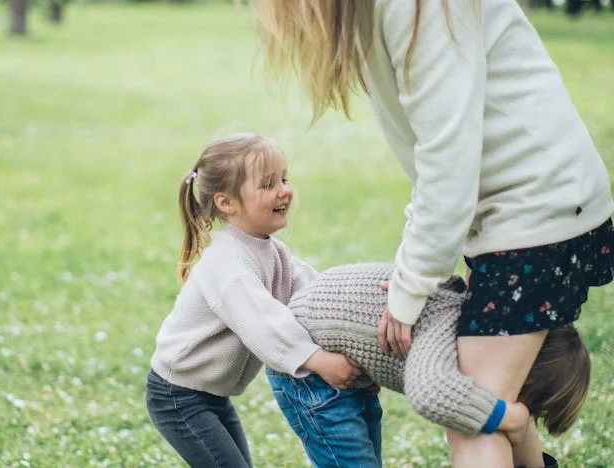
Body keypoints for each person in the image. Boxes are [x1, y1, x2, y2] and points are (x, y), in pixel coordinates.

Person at [250, 1, 614, 466]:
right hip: (530, 212)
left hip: (531, 214)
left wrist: (410, 287)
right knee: (488, 407)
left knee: (473, 417)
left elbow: (448, 162)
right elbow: (437, 165)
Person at [145, 133, 361, 468]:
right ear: (226, 203)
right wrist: (319, 361)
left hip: (211, 395)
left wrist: (359, 302)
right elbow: (263, 324)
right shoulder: (227, 263)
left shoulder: (269, 250)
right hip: (178, 396)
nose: (284, 190)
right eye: (268, 184)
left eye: (284, 179)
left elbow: (312, 292)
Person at [268, 262, 589, 468]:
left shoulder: (481, 326)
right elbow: (431, 394)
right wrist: (508, 415)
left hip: (350, 367)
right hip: (311, 366)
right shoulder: (446, 328)